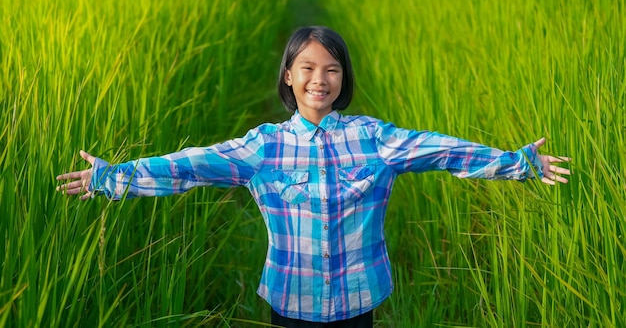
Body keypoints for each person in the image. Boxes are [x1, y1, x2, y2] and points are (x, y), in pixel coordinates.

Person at [57, 25, 571, 327]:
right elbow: (190, 164)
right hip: (290, 301)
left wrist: (517, 163)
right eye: (307, 68)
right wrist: (113, 178)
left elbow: (441, 150)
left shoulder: (374, 138)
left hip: (359, 300)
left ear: (343, 78)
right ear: (288, 75)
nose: (319, 79)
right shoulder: (264, 146)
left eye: (331, 69)